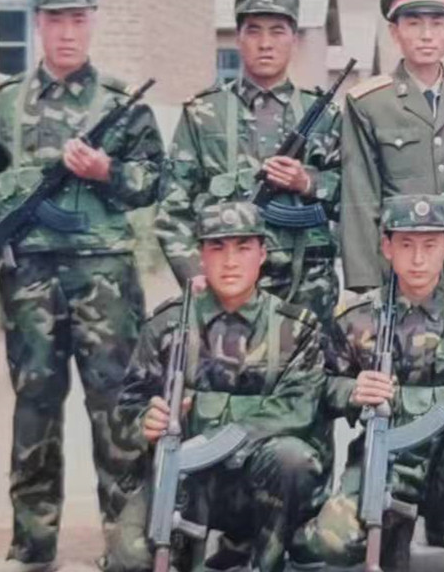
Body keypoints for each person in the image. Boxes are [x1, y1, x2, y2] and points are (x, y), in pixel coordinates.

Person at [0, 0, 163, 572]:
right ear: (38, 24)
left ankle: (126, 544)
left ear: (93, 21)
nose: (67, 32)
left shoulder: (122, 103)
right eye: (55, 19)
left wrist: (105, 171)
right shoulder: (5, 103)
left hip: (106, 278)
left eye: (78, 19)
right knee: (35, 410)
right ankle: (32, 545)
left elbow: (154, 181)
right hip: (29, 279)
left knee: (118, 410)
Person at [293, 194, 444, 572]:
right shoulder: (357, 319)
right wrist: (352, 391)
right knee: (330, 542)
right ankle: (392, 530)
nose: (418, 259)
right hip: (386, 461)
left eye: (429, 245)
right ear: (387, 247)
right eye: (406, 245)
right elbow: (319, 387)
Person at [111, 202, 331, 572]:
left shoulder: (295, 329)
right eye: (217, 248)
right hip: (184, 480)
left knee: (292, 459)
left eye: (243, 248)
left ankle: (266, 559)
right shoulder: (167, 326)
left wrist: (214, 429)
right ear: (201, 255)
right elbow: (126, 408)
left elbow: (298, 408)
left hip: (260, 483)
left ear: (262, 254)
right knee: (131, 559)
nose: (230, 262)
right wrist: (146, 421)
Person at [155, 0, 342, 324]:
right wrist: (194, 274)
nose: (265, 43)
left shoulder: (324, 114)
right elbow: (172, 207)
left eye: (277, 31)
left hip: (308, 287)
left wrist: (307, 182)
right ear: (238, 39)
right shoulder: (204, 113)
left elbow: (353, 198)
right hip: (225, 287)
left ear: (294, 40)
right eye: (254, 31)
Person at [341, 0, 444, 295]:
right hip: (399, 272)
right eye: (413, 24)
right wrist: (366, 285)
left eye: (437, 24)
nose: (426, 35)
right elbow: (359, 199)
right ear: (394, 32)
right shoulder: (369, 103)